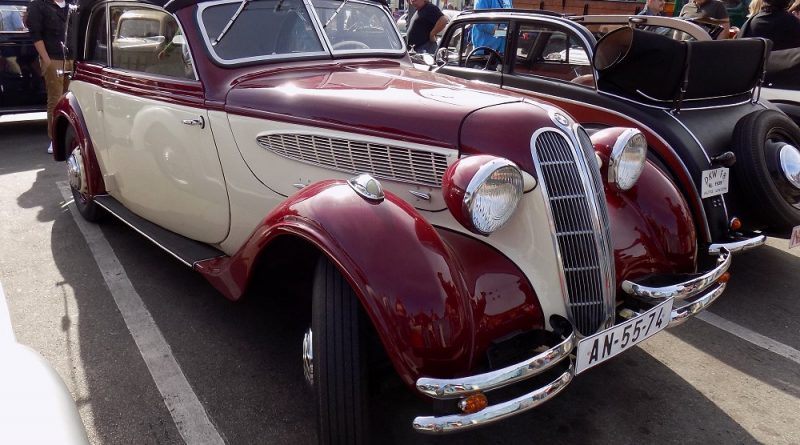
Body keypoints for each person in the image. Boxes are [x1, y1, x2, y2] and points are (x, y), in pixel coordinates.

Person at [27, 0, 73, 154]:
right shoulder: (38, 5)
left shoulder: (71, 4)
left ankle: (70, 137)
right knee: (55, 99)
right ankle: (55, 139)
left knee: (71, 100)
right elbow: (36, 35)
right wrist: (47, 61)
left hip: (71, 58)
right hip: (52, 57)